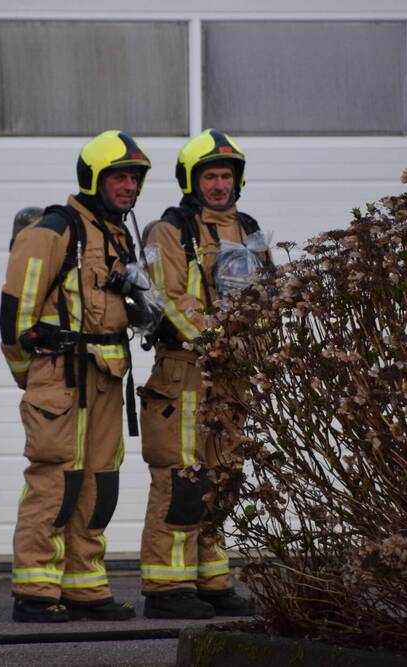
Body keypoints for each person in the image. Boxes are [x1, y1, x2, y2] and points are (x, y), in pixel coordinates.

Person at [0, 130, 151, 623]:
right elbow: (14, 318)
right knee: (55, 480)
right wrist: (33, 379)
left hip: (107, 377)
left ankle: (85, 585)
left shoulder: (117, 233)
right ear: (93, 178)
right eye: (118, 177)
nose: (127, 186)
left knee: (99, 483)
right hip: (59, 376)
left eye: (133, 178)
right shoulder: (53, 230)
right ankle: (37, 590)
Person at [137, 129, 266, 619]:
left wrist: (257, 346)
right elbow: (170, 297)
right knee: (182, 479)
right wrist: (221, 340)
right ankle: (167, 587)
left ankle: (212, 581)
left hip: (232, 374)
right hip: (184, 371)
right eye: (209, 175)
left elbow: (264, 295)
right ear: (191, 180)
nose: (218, 184)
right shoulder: (170, 230)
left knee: (223, 477)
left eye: (226, 175)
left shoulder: (248, 228)